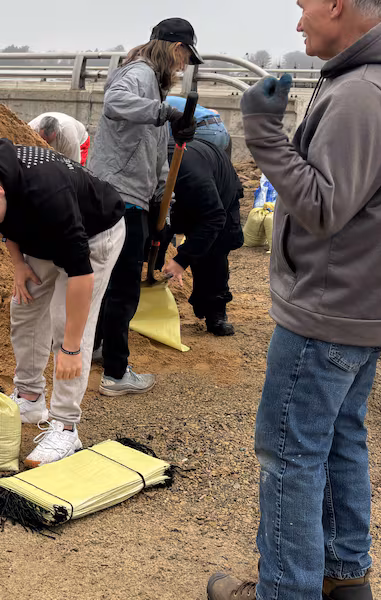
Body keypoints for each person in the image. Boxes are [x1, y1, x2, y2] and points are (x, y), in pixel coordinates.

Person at [206, 3, 381, 599]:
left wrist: (262, 132)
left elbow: (322, 207)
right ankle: (346, 578)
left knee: (289, 453)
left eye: (305, 6)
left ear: (337, 4)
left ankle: (285, 592)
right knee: (339, 437)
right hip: (369, 300)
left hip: (332, 307)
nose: (298, 22)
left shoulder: (366, 90)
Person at [0, 139, 126, 467]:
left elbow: (81, 275)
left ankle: (66, 426)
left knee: (64, 320)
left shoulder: (48, 196)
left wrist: (69, 349)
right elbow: (4, 222)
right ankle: (29, 397)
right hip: (40, 236)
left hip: (94, 233)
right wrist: (18, 263)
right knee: (23, 308)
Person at [87, 17, 199, 397]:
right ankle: (116, 374)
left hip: (130, 196)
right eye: (184, 56)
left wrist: (159, 198)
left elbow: (152, 151)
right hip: (116, 194)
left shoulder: (152, 85)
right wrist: (165, 113)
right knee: (122, 289)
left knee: (111, 283)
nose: (184, 65)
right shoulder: (137, 74)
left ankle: (100, 349)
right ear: (173, 48)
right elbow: (115, 102)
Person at [159, 136, 244, 336]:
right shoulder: (149, 167)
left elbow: (214, 219)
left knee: (215, 250)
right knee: (159, 229)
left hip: (220, 194)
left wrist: (181, 259)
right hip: (184, 185)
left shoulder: (192, 178)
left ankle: (216, 312)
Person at [165, 95, 232, 156]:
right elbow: (214, 111)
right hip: (221, 129)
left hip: (202, 130)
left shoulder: (161, 106)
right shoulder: (172, 100)